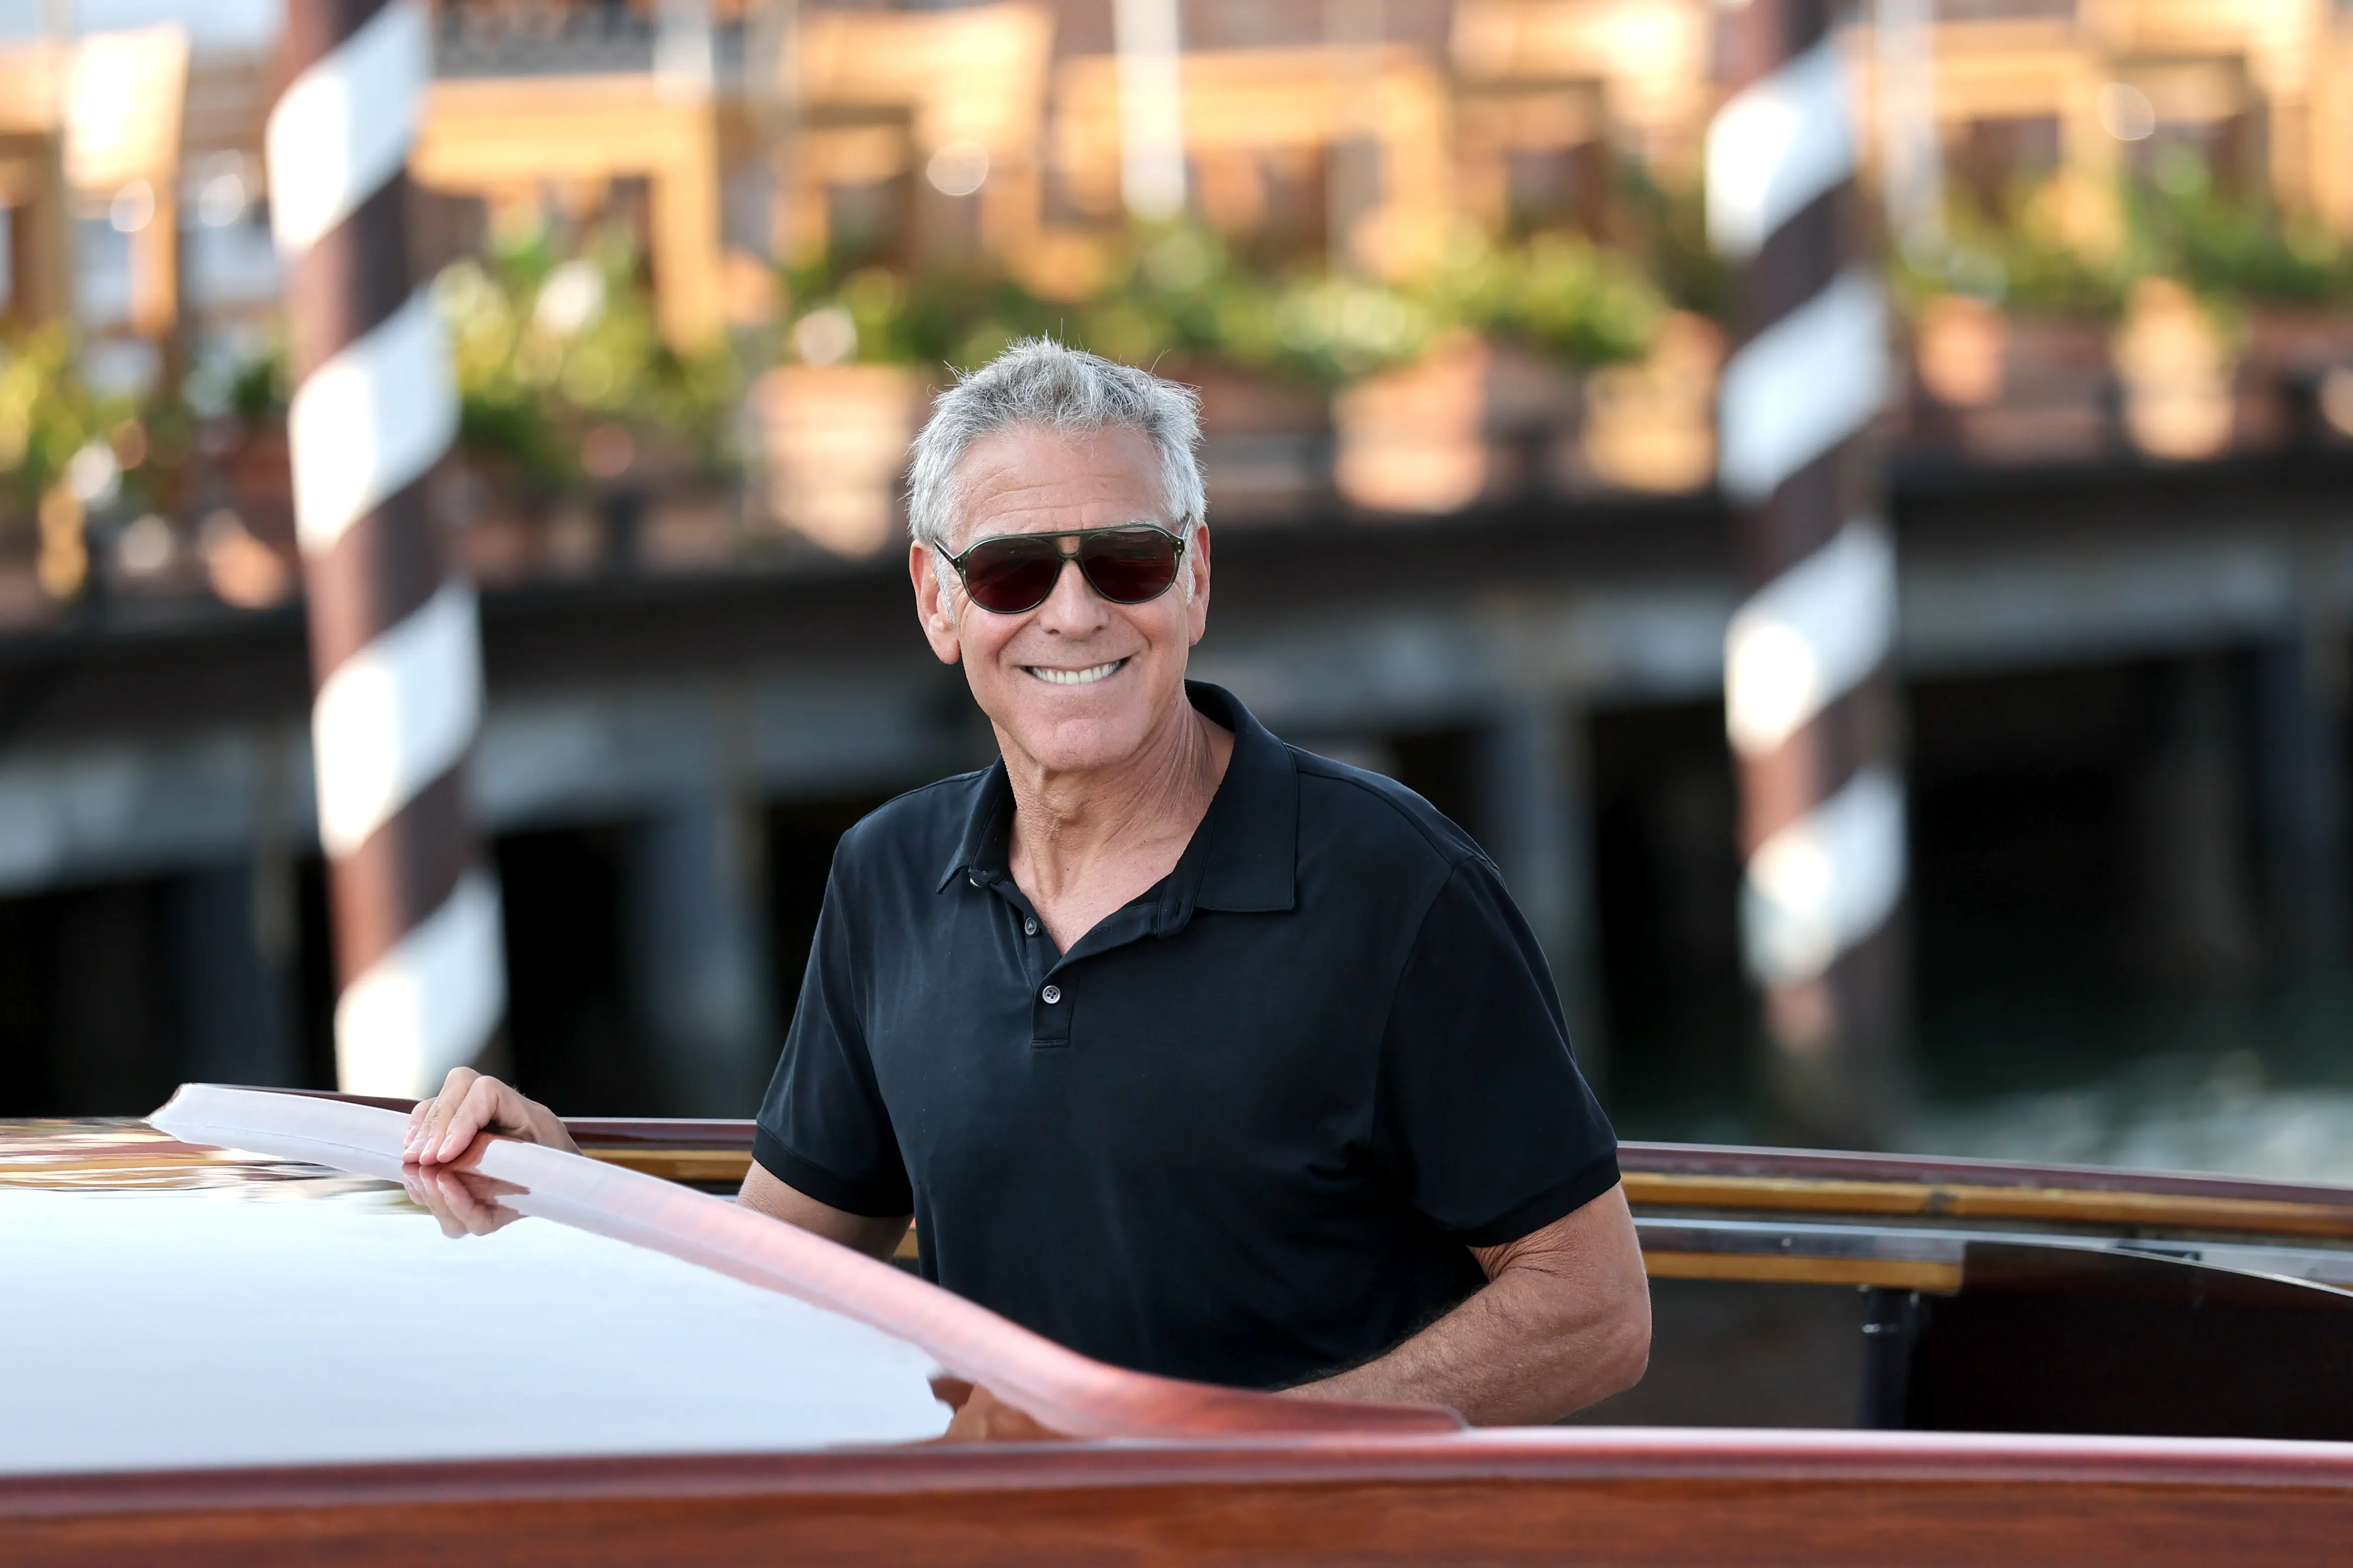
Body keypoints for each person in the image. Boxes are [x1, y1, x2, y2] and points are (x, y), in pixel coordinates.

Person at [407, 340, 1649, 1436]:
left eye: (1126, 561)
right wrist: (557, 1189)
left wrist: (1214, 1460)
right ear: (937, 601)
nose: (1074, 612)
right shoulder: (885, 873)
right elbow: (773, 1276)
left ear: (1196, 578)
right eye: (1011, 573)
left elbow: (1592, 1308)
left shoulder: (1396, 880)